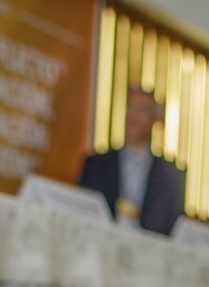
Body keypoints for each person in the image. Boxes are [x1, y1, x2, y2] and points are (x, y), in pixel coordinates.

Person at [79, 86, 186, 235]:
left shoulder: (172, 177)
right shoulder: (96, 164)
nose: (133, 116)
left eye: (142, 110)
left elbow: (172, 230)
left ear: (155, 119)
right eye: (130, 107)